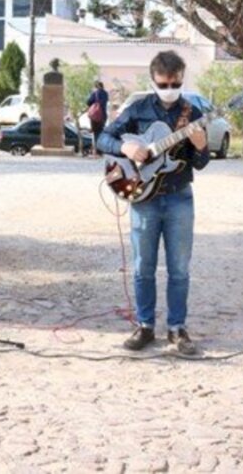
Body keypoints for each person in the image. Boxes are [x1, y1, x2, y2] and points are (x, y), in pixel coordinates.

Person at [97, 51, 209, 354]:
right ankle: (145, 325)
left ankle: (177, 329)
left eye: (175, 83)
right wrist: (126, 146)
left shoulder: (193, 113)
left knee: (180, 269)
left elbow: (200, 162)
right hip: (143, 198)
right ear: (153, 80)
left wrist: (201, 147)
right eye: (164, 83)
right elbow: (103, 139)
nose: (169, 88)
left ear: (182, 79)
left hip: (179, 198)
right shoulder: (137, 109)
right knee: (142, 267)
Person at [85, 80, 109, 157]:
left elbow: (88, 102)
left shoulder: (94, 93)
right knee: (101, 132)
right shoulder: (105, 93)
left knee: (96, 133)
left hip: (95, 116)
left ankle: (98, 151)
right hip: (103, 116)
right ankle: (101, 150)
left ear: (96, 86)